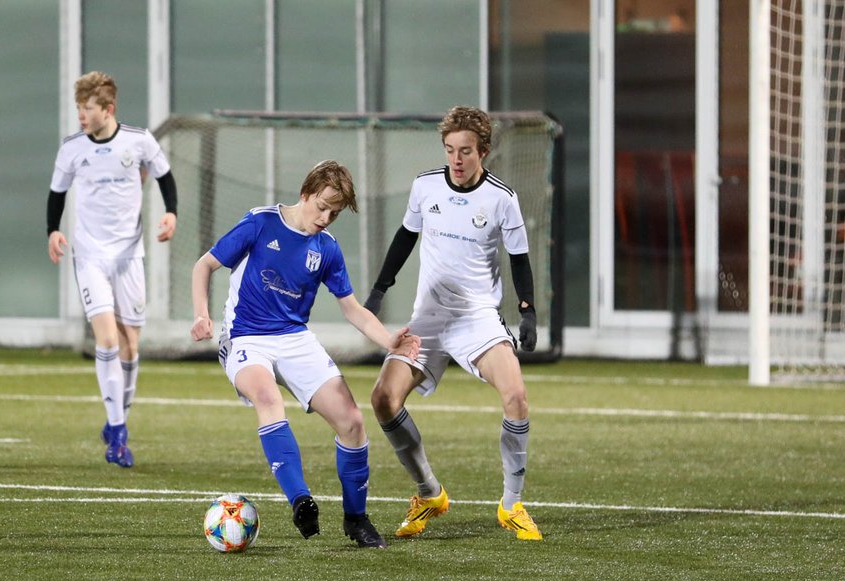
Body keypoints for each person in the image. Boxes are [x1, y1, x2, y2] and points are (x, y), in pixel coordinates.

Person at [190, 160, 420, 549]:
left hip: (294, 338)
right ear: (306, 193)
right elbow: (205, 265)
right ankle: (301, 501)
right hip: (245, 337)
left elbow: (352, 309)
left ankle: (356, 519)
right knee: (268, 398)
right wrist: (201, 314)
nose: (326, 218)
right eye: (323, 207)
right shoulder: (260, 223)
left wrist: (389, 341)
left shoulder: (327, 248)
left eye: (335, 213)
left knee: (352, 422)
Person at [362, 106, 543, 541]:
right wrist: (380, 290)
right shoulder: (426, 186)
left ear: (483, 151)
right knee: (383, 399)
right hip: (428, 318)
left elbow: (519, 259)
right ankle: (429, 493)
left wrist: (528, 311)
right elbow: (405, 237)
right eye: (449, 150)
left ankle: (512, 504)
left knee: (516, 396)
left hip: (477, 318)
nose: (456, 160)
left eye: (465, 151)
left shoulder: (502, 198)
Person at [46, 71, 179, 468]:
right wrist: (53, 230)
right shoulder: (72, 148)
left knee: (129, 347)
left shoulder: (138, 141)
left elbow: (165, 176)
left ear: (108, 109)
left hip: (129, 257)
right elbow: (56, 193)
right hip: (89, 257)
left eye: (87, 108)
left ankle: (118, 420)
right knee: (106, 341)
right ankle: (118, 434)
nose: (81, 115)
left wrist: (171, 213)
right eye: (79, 108)